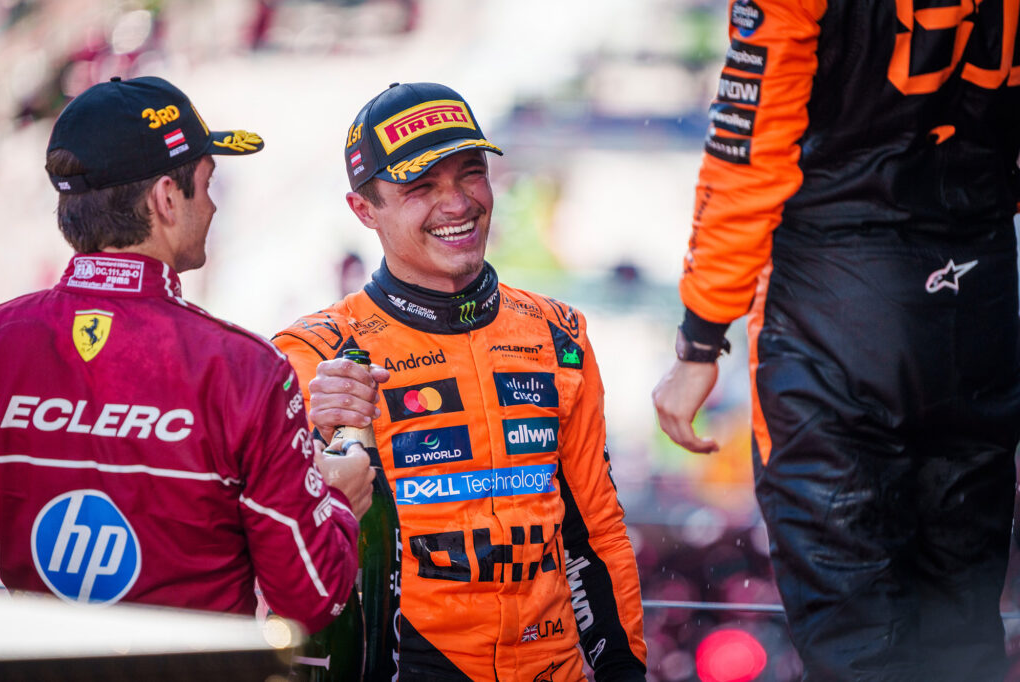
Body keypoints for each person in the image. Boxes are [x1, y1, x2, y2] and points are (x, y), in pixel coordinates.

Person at [653, 2, 1020, 680]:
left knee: (858, 646)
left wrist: (700, 340)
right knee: (963, 632)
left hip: (837, 305)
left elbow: (749, 145)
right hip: (981, 291)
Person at [273, 82, 647, 681]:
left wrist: (625, 671)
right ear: (364, 210)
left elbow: (595, 531)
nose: (457, 204)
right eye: (421, 187)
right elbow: (280, 538)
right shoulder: (313, 353)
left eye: (471, 174)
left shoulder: (559, 333)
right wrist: (318, 434)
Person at [0, 76, 373, 635]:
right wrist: (337, 499)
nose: (215, 206)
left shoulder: (4, 338)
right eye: (207, 183)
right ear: (167, 199)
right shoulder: (244, 369)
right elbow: (311, 597)